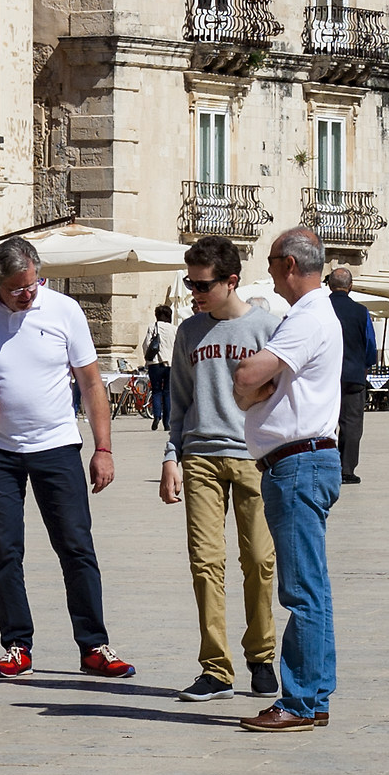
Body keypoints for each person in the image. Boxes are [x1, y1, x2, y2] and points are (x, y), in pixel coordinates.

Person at [0, 236, 133, 681]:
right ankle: (16, 645)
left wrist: (102, 448)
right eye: (16, 289)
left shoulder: (65, 309)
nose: (27, 294)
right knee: (4, 550)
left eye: (32, 284)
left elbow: (90, 384)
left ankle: (94, 646)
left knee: (76, 546)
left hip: (57, 446)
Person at [230, 226, 344, 733]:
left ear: (291, 264)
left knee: (301, 590)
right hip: (305, 460)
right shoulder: (316, 315)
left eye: (273, 260)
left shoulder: (306, 318)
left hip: (297, 464)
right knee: (311, 585)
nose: (271, 269)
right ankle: (315, 694)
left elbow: (248, 380)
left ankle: (298, 702)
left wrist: (250, 384)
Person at [161, 235, 280, 703]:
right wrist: (171, 455)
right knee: (206, 563)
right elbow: (180, 401)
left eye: (202, 284)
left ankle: (262, 657)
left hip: (255, 458)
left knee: (259, 561)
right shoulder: (189, 332)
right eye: (190, 283)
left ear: (231, 281)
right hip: (201, 457)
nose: (195, 292)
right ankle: (215, 668)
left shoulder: (268, 329)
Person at [328, 268, 373, 484]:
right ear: (350, 286)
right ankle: (346, 470)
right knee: (352, 424)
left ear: (329, 285)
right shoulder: (361, 312)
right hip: (354, 375)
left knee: (322, 423)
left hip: (324, 376)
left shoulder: (320, 308)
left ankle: (324, 465)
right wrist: (366, 365)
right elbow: (370, 344)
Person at [142, 303, 175, 432]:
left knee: (156, 391)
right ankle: (167, 423)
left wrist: (147, 358)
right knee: (167, 392)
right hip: (170, 364)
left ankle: (156, 416)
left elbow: (146, 344)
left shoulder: (153, 327)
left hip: (155, 364)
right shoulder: (174, 329)